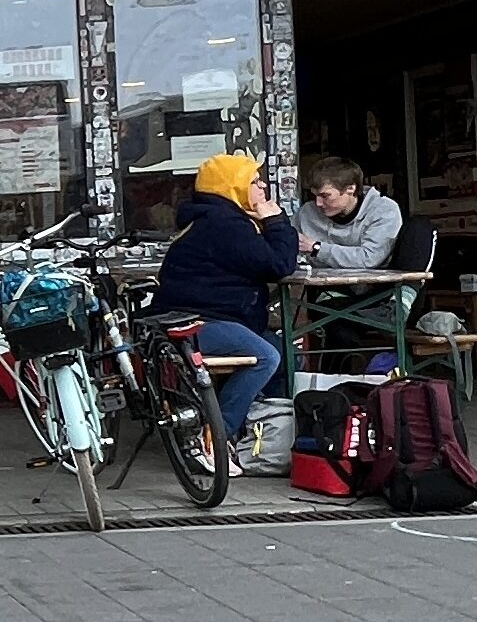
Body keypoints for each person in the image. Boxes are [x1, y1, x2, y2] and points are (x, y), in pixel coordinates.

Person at [150, 155, 299, 465]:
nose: (262, 187)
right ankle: (215, 437)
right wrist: (276, 221)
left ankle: (265, 438)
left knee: (281, 349)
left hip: (210, 316)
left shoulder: (217, 218)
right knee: (266, 356)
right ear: (234, 187)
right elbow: (279, 265)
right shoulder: (225, 224)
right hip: (194, 322)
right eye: (254, 182)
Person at [296, 156, 400, 271]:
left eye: (324, 196)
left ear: (350, 189)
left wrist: (316, 248)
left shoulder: (383, 210)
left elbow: (369, 258)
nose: (318, 203)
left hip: (371, 286)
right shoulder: (307, 213)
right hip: (317, 286)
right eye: (314, 195)